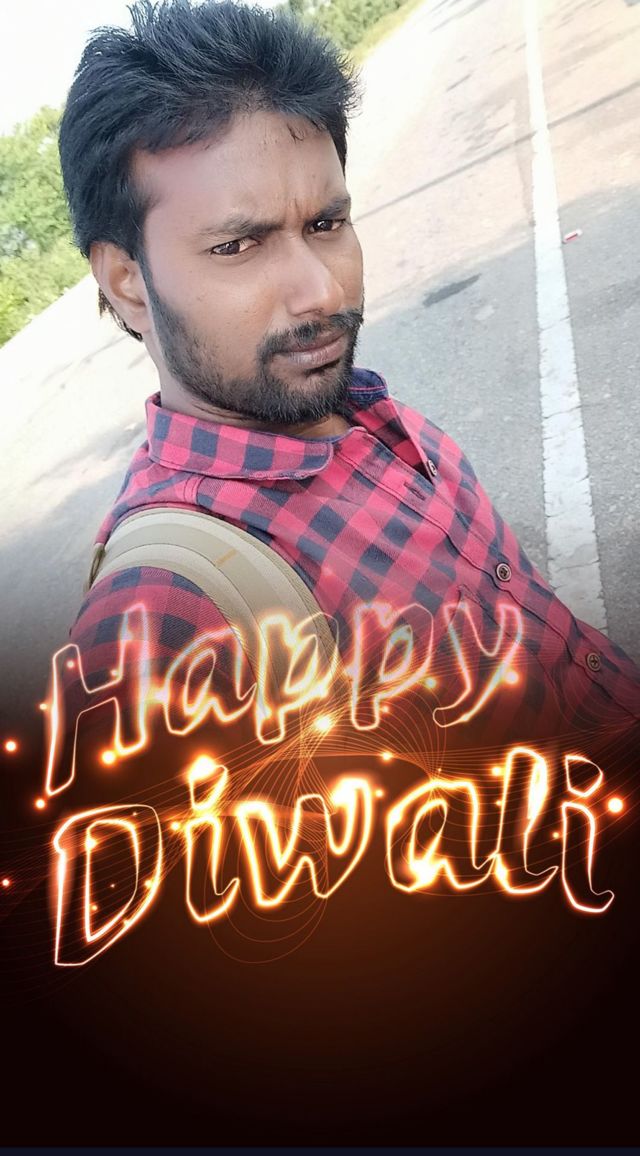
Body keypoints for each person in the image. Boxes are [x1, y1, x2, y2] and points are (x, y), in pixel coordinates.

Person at [56, 0, 638, 821]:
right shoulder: (164, 622)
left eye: (326, 223)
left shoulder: (367, 417)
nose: (323, 290)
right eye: (238, 245)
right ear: (126, 282)